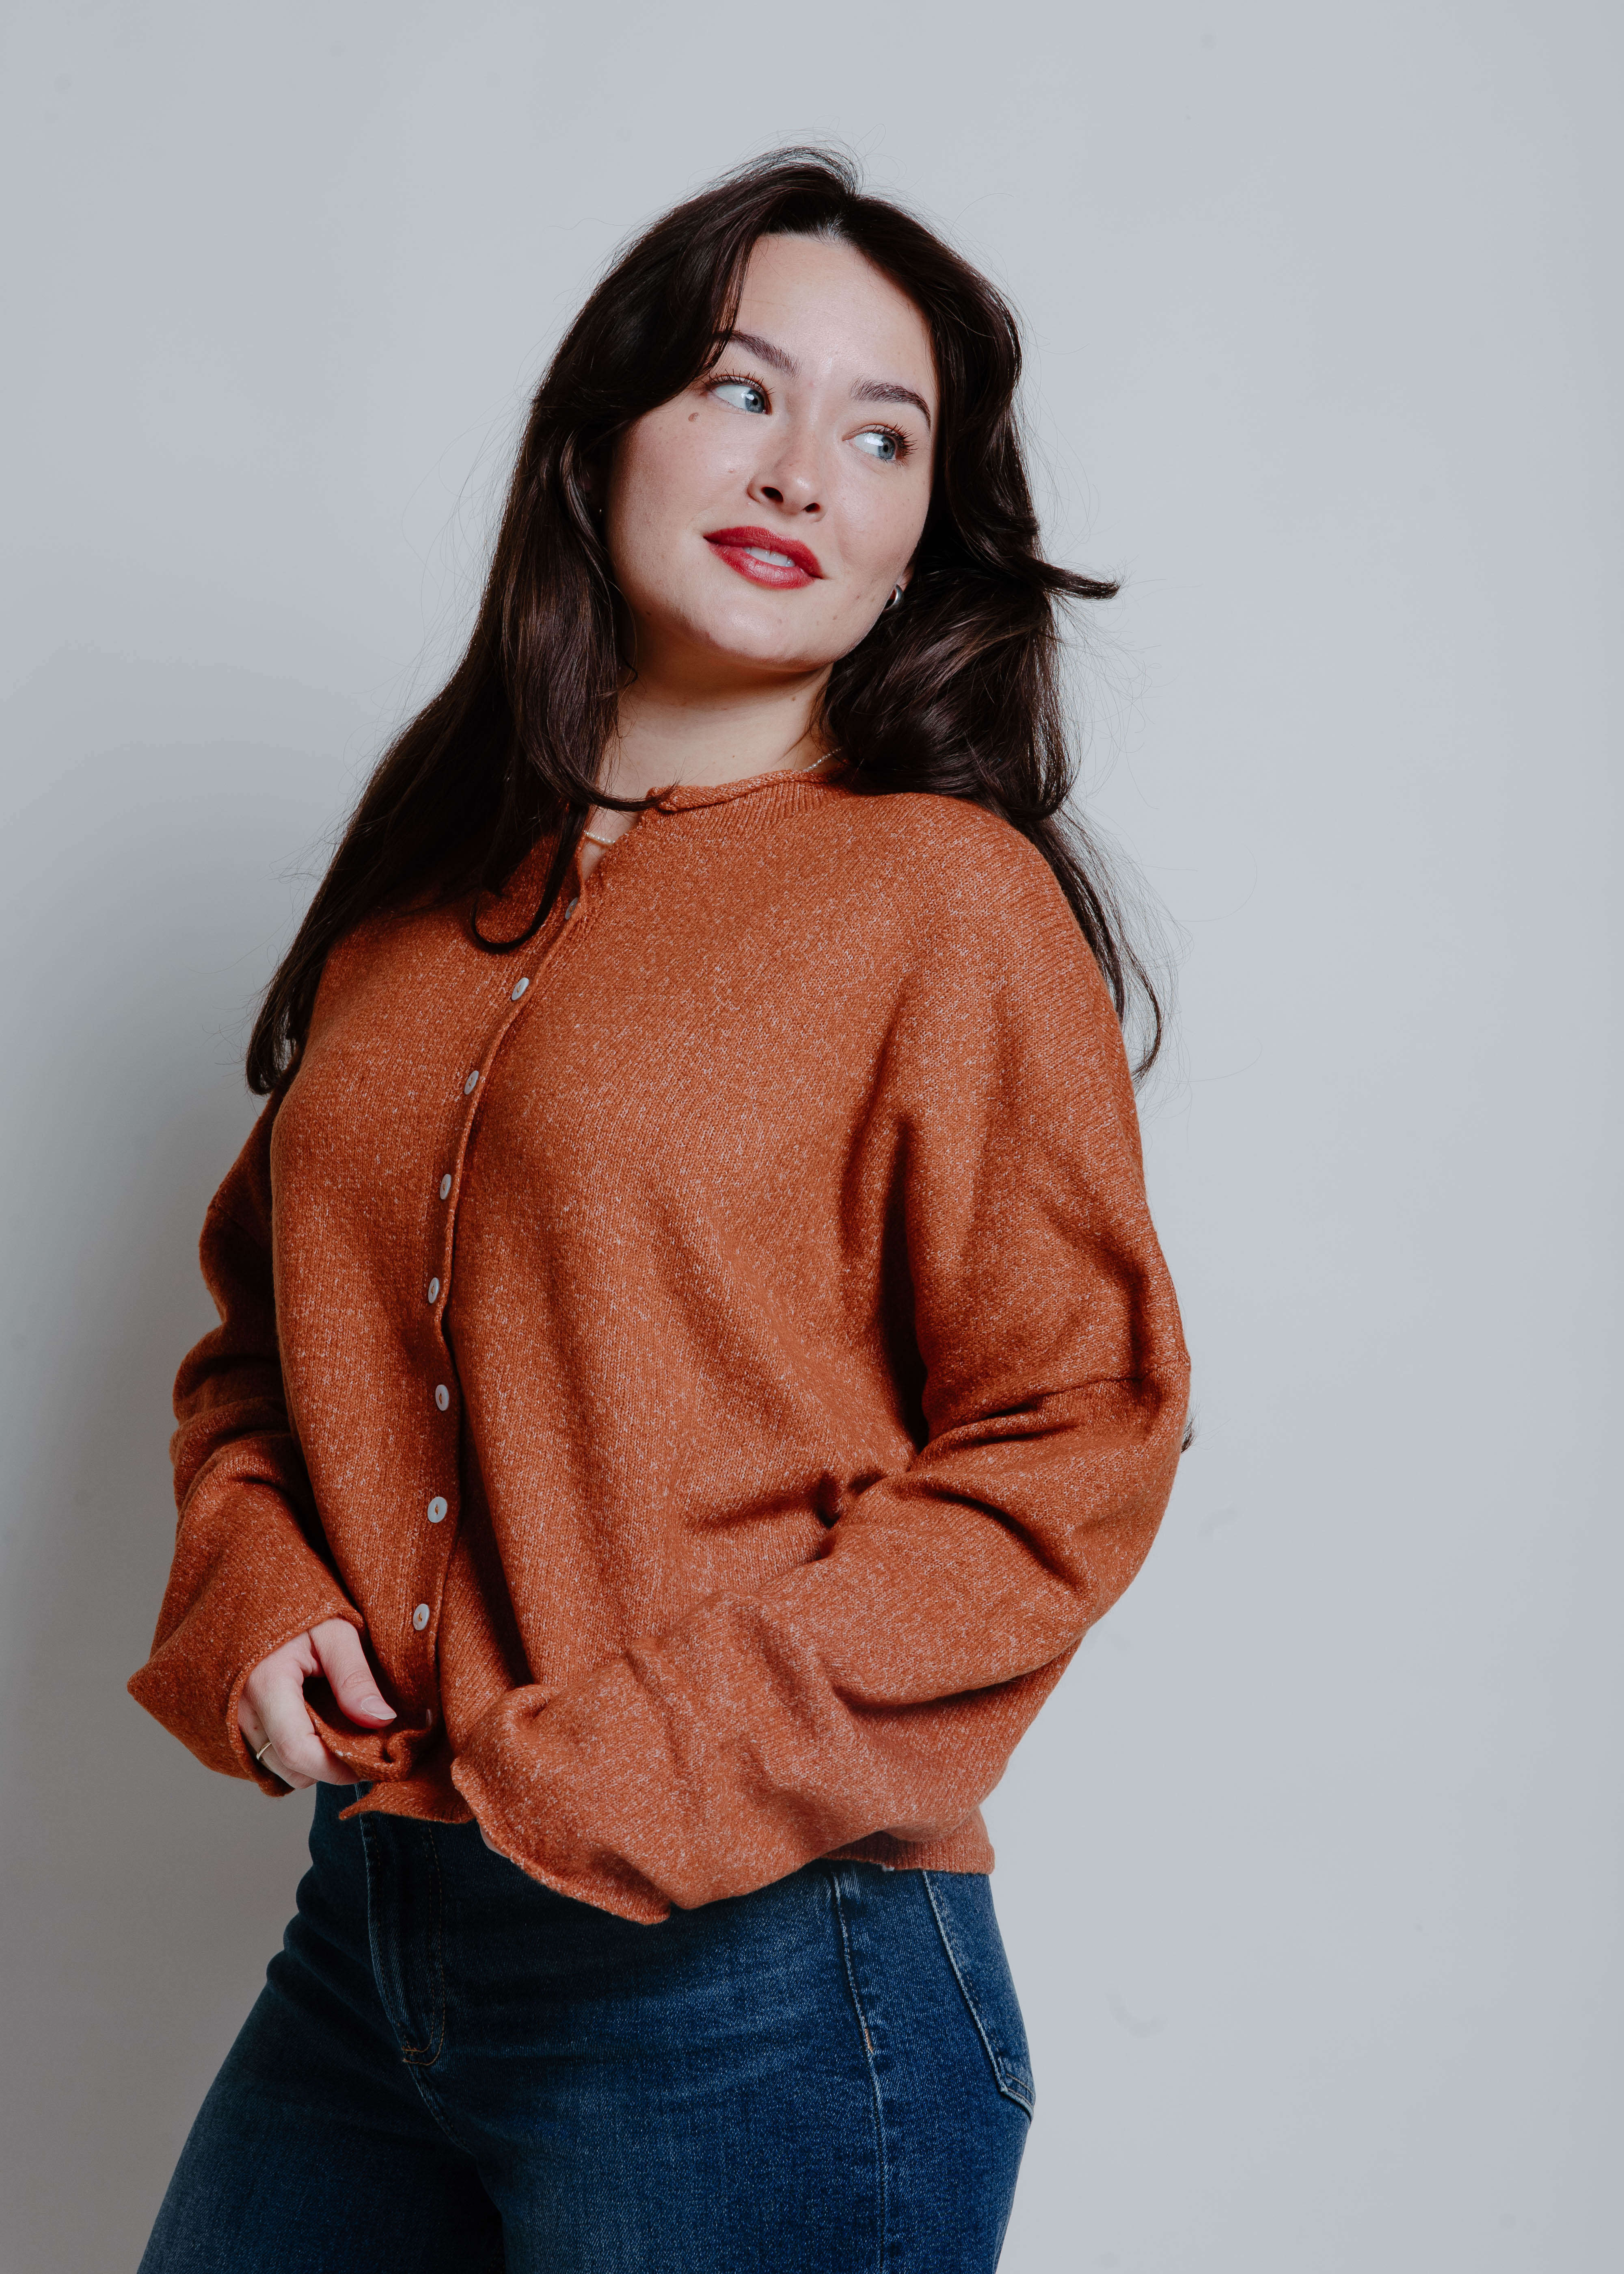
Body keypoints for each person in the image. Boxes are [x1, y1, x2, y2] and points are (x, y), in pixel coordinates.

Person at [130, 147, 1190, 2274]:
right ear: (601, 431)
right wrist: (258, 1591)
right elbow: (261, 1348)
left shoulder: (944, 901)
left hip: (762, 1988)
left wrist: (644, 1761)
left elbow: (1072, 1441)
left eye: (882, 438)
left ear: (922, 537)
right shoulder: (426, 886)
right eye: (741, 390)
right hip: (369, 1945)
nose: (802, 470)